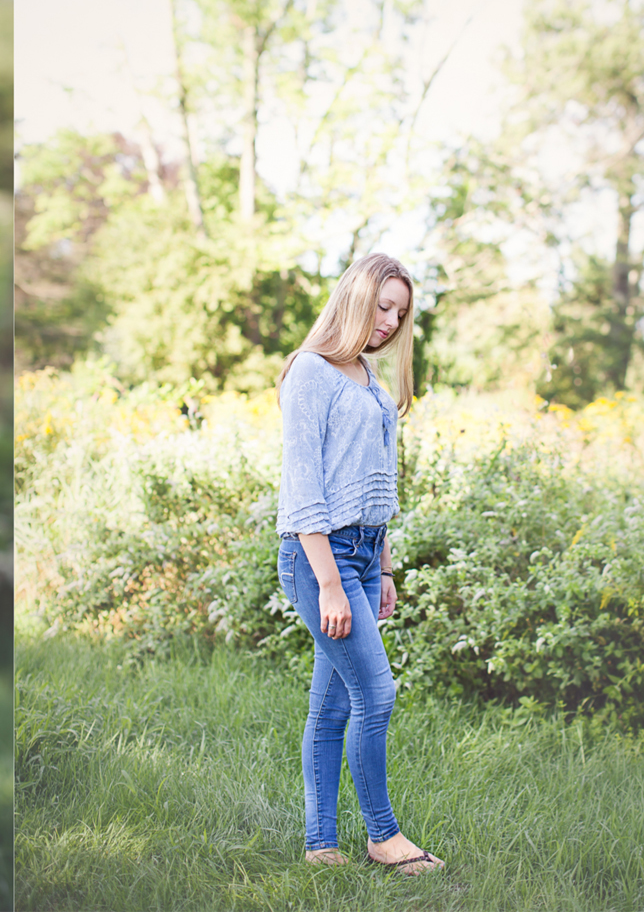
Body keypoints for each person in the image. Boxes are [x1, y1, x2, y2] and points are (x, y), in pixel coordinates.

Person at [274, 252, 444, 876]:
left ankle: (321, 845)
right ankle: (383, 837)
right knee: (376, 693)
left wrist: (385, 569)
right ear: (354, 297)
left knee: (332, 707)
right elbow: (303, 488)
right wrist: (331, 585)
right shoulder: (311, 372)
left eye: (400, 311)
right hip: (320, 555)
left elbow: (377, 484)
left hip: (366, 554)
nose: (390, 320)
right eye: (382, 305)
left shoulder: (369, 379)